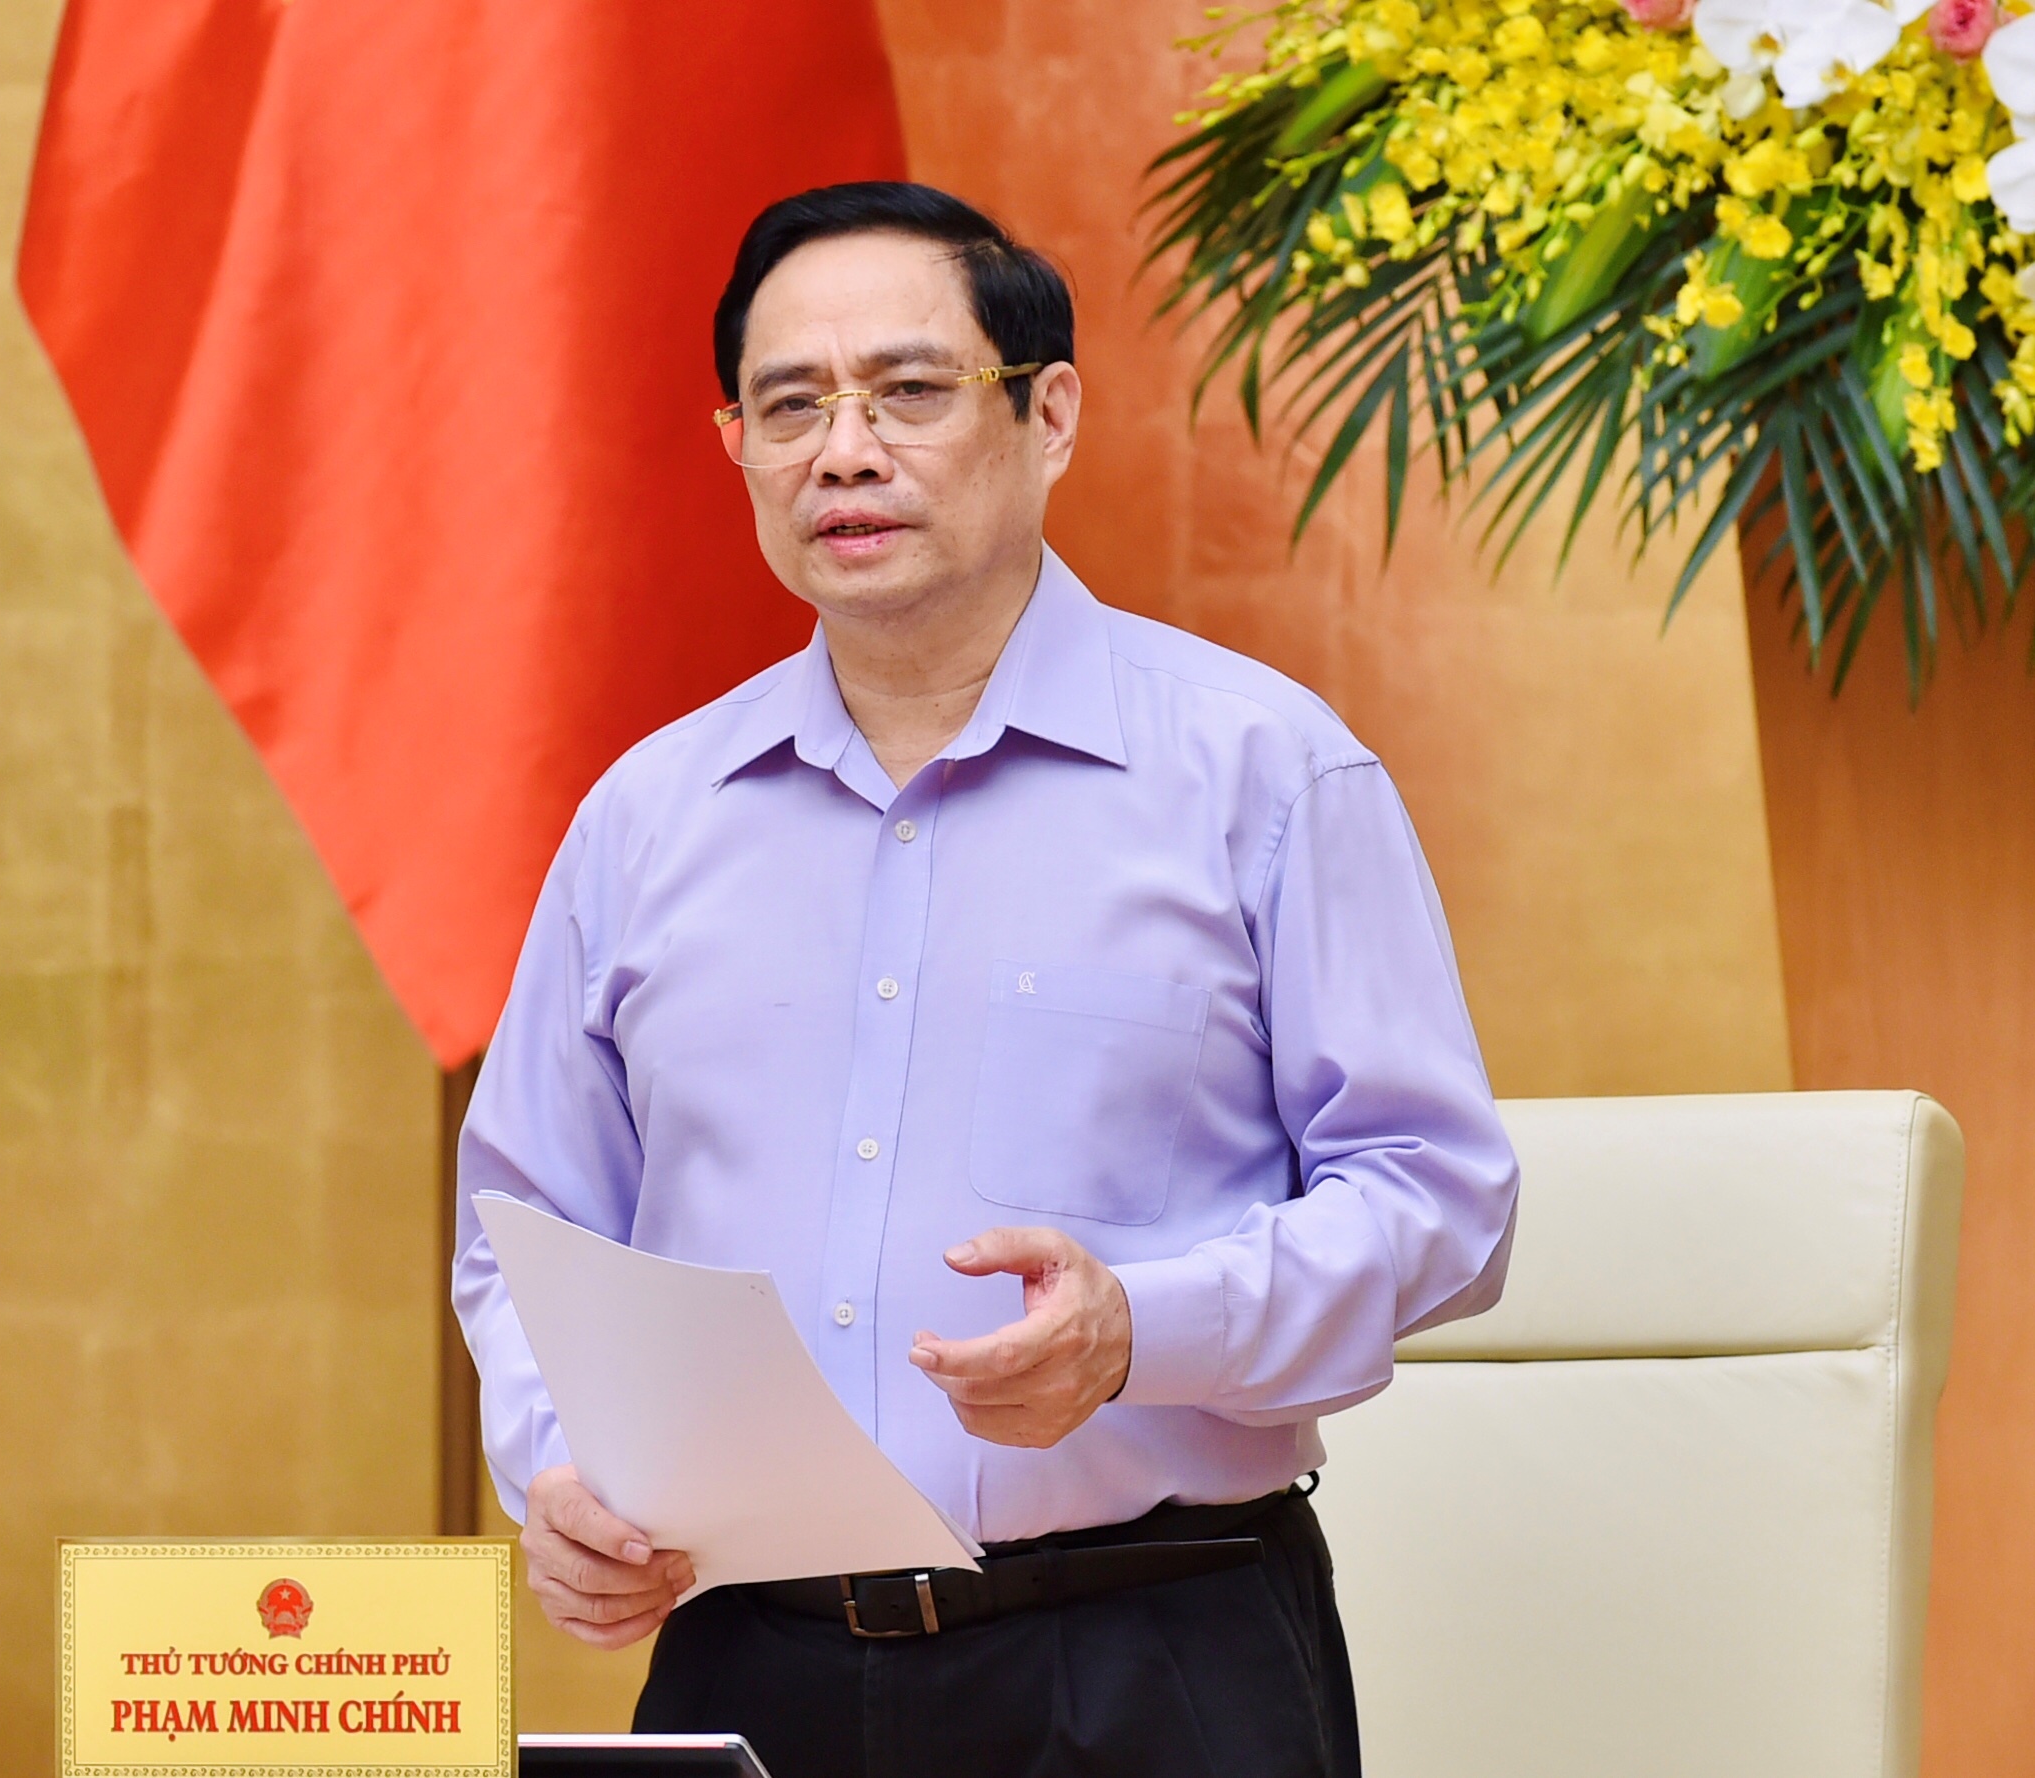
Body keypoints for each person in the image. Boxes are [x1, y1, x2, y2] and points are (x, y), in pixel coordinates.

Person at [450, 181, 1519, 1778]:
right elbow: (524, 1226)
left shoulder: (1262, 770)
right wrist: (562, 1469)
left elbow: (1436, 1198)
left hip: (1152, 1650)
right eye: (788, 406)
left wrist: (1138, 1328)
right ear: (734, 442)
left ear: (1049, 413)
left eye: (908, 390)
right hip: (750, 1659)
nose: (843, 451)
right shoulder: (645, 818)